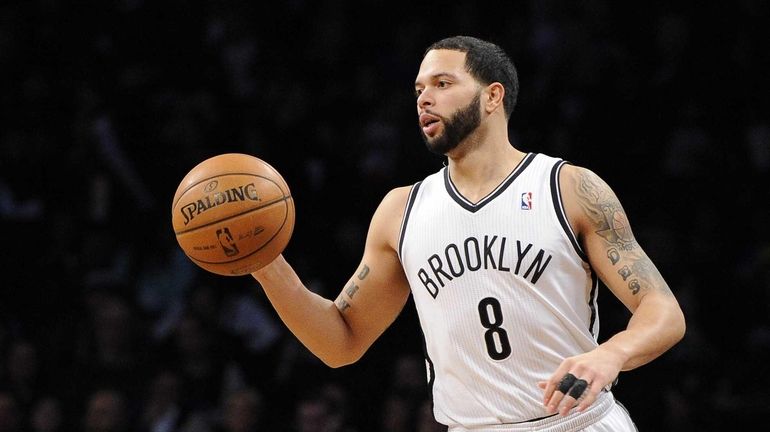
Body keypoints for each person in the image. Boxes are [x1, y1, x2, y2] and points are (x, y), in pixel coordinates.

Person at [251, 35, 686, 431]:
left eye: (442, 83)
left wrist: (611, 354)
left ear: (493, 95)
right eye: (419, 89)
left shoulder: (568, 187)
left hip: (575, 423)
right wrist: (267, 265)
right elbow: (340, 341)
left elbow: (662, 311)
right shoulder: (400, 211)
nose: (424, 99)